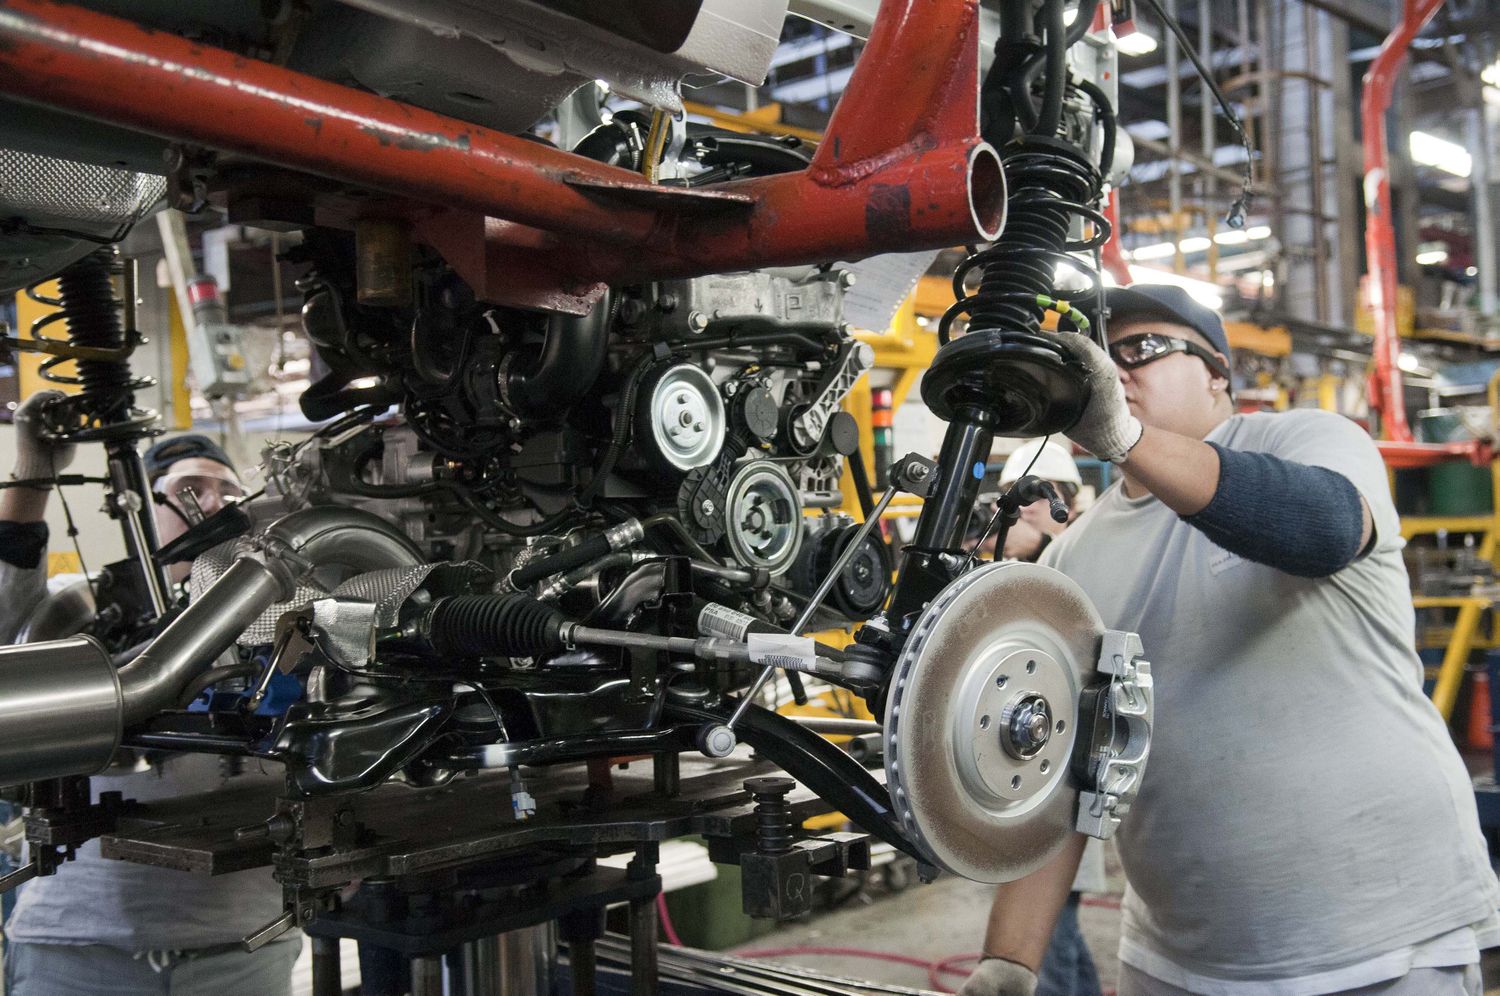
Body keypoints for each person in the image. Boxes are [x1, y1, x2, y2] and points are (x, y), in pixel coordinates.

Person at [960, 285, 1500, 996]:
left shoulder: (1309, 441)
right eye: (1096, 356)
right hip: (1179, 961)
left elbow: (1326, 528)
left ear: (1219, 372)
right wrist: (1010, 961)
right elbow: (1071, 773)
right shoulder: (1072, 560)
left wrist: (1125, 437)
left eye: (1141, 350)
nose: (1113, 370)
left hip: (1383, 940)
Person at [0, 391, 300, 996]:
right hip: (76, 946)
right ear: (146, 506)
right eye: (190, 487)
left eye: (224, 491)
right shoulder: (82, 612)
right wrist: (32, 477)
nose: (210, 503)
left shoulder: (283, 618)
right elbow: (8, 622)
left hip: (238, 946)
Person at [996, 438, 1083, 562]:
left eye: (1040, 495)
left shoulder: (1087, 556)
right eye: (1018, 497)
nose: (1025, 508)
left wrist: (1040, 546)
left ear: (1071, 507)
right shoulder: (1002, 562)